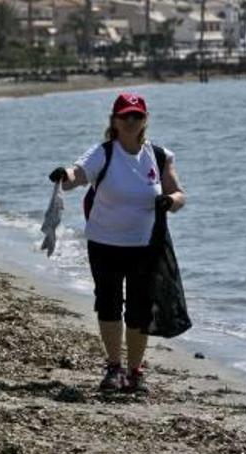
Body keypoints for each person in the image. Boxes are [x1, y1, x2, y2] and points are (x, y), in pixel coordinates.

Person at [47, 93, 186, 394]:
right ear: (115, 120)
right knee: (108, 303)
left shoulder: (160, 156)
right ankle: (113, 367)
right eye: (125, 116)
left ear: (145, 120)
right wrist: (63, 176)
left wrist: (169, 201)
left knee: (139, 309)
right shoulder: (104, 153)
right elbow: (77, 176)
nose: (131, 121)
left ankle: (135, 372)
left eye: (137, 116)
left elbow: (179, 195)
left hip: (145, 245)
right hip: (104, 242)